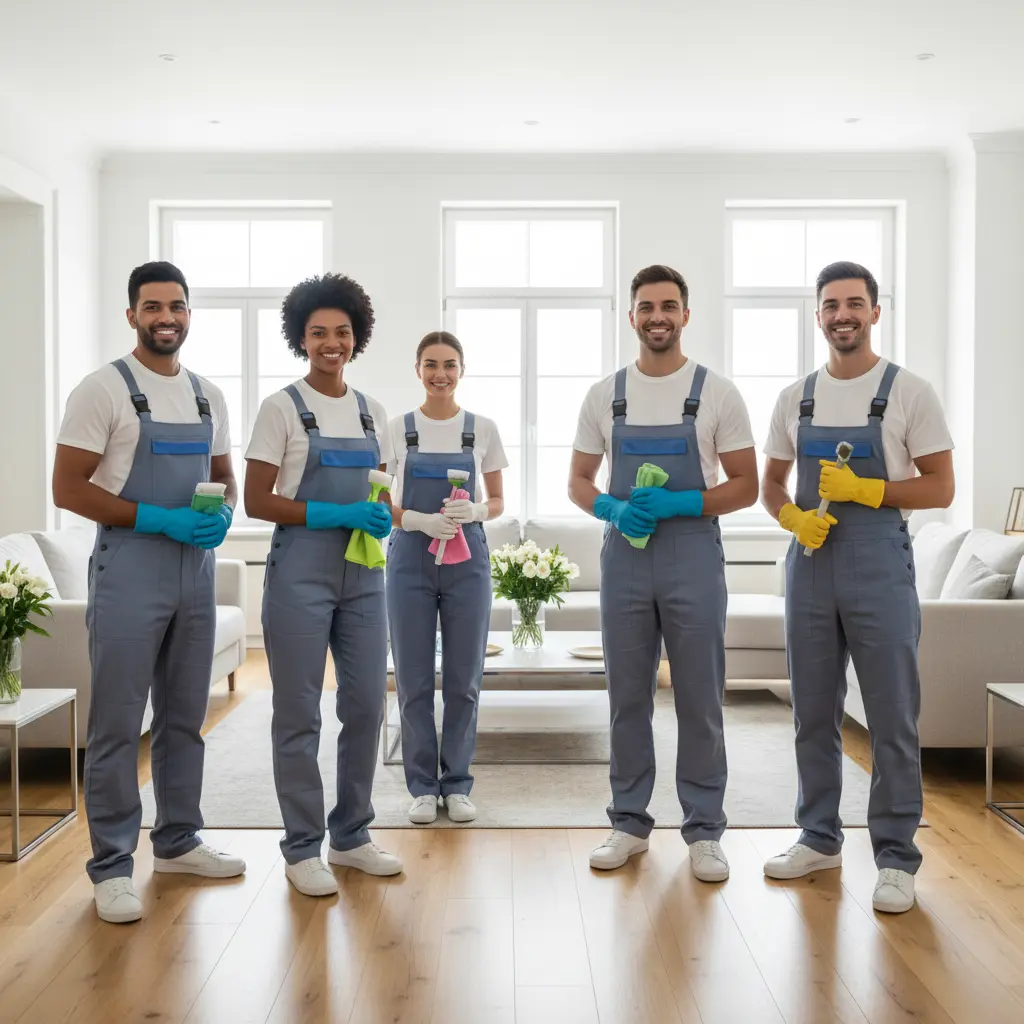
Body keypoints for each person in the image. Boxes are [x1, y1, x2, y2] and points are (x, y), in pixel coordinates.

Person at [53, 261, 244, 925]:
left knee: (184, 718)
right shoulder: (103, 389)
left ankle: (178, 842)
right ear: (131, 314)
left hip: (195, 570)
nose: (167, 317)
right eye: (153, 307)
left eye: (178, 307)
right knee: (116, 725)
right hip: (130, 569)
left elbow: (224, 475)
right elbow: (68, 487)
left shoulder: (205, 395)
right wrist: (155, 518)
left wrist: (222, 514)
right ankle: (110, 867)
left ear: (190, 314)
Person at [761, 261, 954, 914]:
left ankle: (896, 856)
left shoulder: (909, 392)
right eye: (830, 305)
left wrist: (870, 489)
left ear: (875, 311)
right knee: (812, 711)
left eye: (854, 303)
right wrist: (790, 517)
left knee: (892, 715)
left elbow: (940, 487)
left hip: (879, 566)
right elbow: (770, 484)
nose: (842, 314)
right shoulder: (796, 397)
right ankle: (818, 836)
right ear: (818, 316)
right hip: (810, 565)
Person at [568, 264, 759, 880]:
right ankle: (628, 822)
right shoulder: (606, 394)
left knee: (701, 697)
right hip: (624, 555)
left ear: (685, 314)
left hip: (693, 556)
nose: (658, 316)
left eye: (669, 306)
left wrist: (683, 502)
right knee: (627, 696)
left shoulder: (717, 392)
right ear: (631, 317)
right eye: (647, 306)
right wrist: (611, 507)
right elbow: (577, 480)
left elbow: (748, 486)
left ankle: (704, 831)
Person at [244, 272, 401, 897]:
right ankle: (302, 847)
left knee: (366, 705)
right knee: (298, 712)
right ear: (301, 338)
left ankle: (353, 835)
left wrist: (381, 514)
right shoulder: (281, 407)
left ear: (356, 336)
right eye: (318, 333)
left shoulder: (373, 411)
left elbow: (382, 492)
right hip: (299, 575)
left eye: (342, 332)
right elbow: (257, 499)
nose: (331, 342)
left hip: (364, 575)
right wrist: (335, 514)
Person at [385, 331, 506, 824]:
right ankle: (421, 786)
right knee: (413, 678)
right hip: (410, 557)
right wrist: (416, 520)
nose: (440, 374)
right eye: (431, 364)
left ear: (462, 370)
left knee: (464, 679)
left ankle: (456, 784)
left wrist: (475, 509)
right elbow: (377, 501)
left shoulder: (482, 429)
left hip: (468, 558)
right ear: (418, 369)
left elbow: (499, 501)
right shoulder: (397, 429)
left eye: (449, 364)